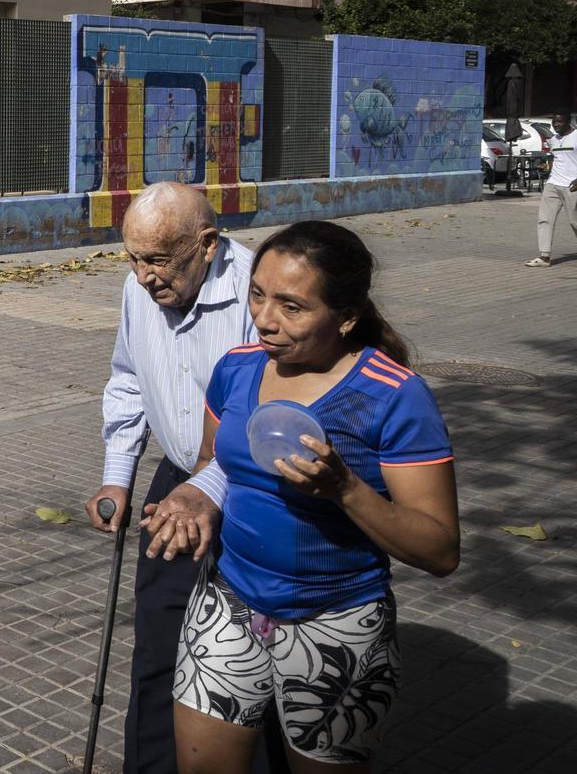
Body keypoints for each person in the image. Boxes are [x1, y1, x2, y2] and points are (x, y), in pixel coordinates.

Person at [145, 221, 459, 772]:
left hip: (337, 623)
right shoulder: (237, 368)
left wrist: (345, 490)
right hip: (227, 605)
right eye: (258, 295)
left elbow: (440, 551)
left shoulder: (393, 397)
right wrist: (198, 497)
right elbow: (214, 463)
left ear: (347, 316)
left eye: (292, 307)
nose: (265, 319)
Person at [85, 182, 285, 773]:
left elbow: (261, 421)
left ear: (207, 244)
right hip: (173, 483)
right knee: (158, 646)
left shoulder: (258, 296)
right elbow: (127, 377)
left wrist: (206, 490)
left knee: (250, 659)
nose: (144, 277)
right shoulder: (137, 289)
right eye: (132, 258)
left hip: (254, 492)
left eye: (157, 260)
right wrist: (117, 476)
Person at [526, 109, 577, 267]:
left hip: (572, 186)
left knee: (574, 222)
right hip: (553, 184)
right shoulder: (554, 140)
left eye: (560, 121)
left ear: (568, 121)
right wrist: (548, 167)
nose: (556, 124)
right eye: (554, 121)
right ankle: (544, 257)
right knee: (545, 219)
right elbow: (558, 158)